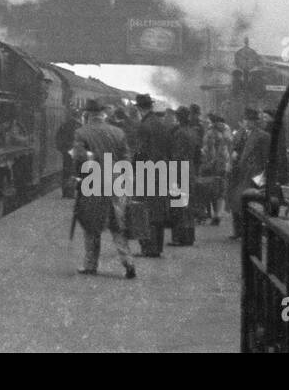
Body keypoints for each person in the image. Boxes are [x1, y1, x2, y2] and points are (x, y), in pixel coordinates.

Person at [70, 101, 136, 279]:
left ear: (88, 115)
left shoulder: (81, 132)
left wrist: (88, 162)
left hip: (93, 182)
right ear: (103, 114)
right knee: (117, 225)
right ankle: (128, 262)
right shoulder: (118, 132)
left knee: (91, 224)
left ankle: (90, 265)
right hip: (116, 181)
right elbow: (127, 158)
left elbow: (79, 157)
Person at [134, 94, 171, 257]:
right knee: (158, 211)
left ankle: (148, 247)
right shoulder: (161, 124)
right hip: (161, 170)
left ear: (139, 109)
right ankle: (157, 247)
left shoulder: (144, 126)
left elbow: (141, 151)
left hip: (147, 171)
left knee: (145, 210)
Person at [228, 109, 271, 239]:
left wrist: (261, 178)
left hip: (252, 173)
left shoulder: (263, 136)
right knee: (234, 201)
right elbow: (234, 148)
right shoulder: (239, 134)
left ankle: (249, 232)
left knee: (248, 202)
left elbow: (265, 158)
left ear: (255, 122)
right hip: (237, 172)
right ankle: (238, 231)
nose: (247, 123)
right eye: (246, 120)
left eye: (251, 120)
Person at [168, 108, 202, 245]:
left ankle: (179, 238)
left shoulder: (179, 133)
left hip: (179, 169)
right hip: (190, 168)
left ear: (178, 117)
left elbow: (177, 154)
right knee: (188, 204)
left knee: (178, 204)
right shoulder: (193, 131)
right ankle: (189, 237)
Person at [201, 114, 233, 225]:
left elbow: (206, 148)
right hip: (223, 163)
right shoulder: (226, 131)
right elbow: (229, 147)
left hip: (213, 164)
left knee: (214, 189)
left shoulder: (211, 132)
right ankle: (218, 214)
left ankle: (215, 214)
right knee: (221, 190)